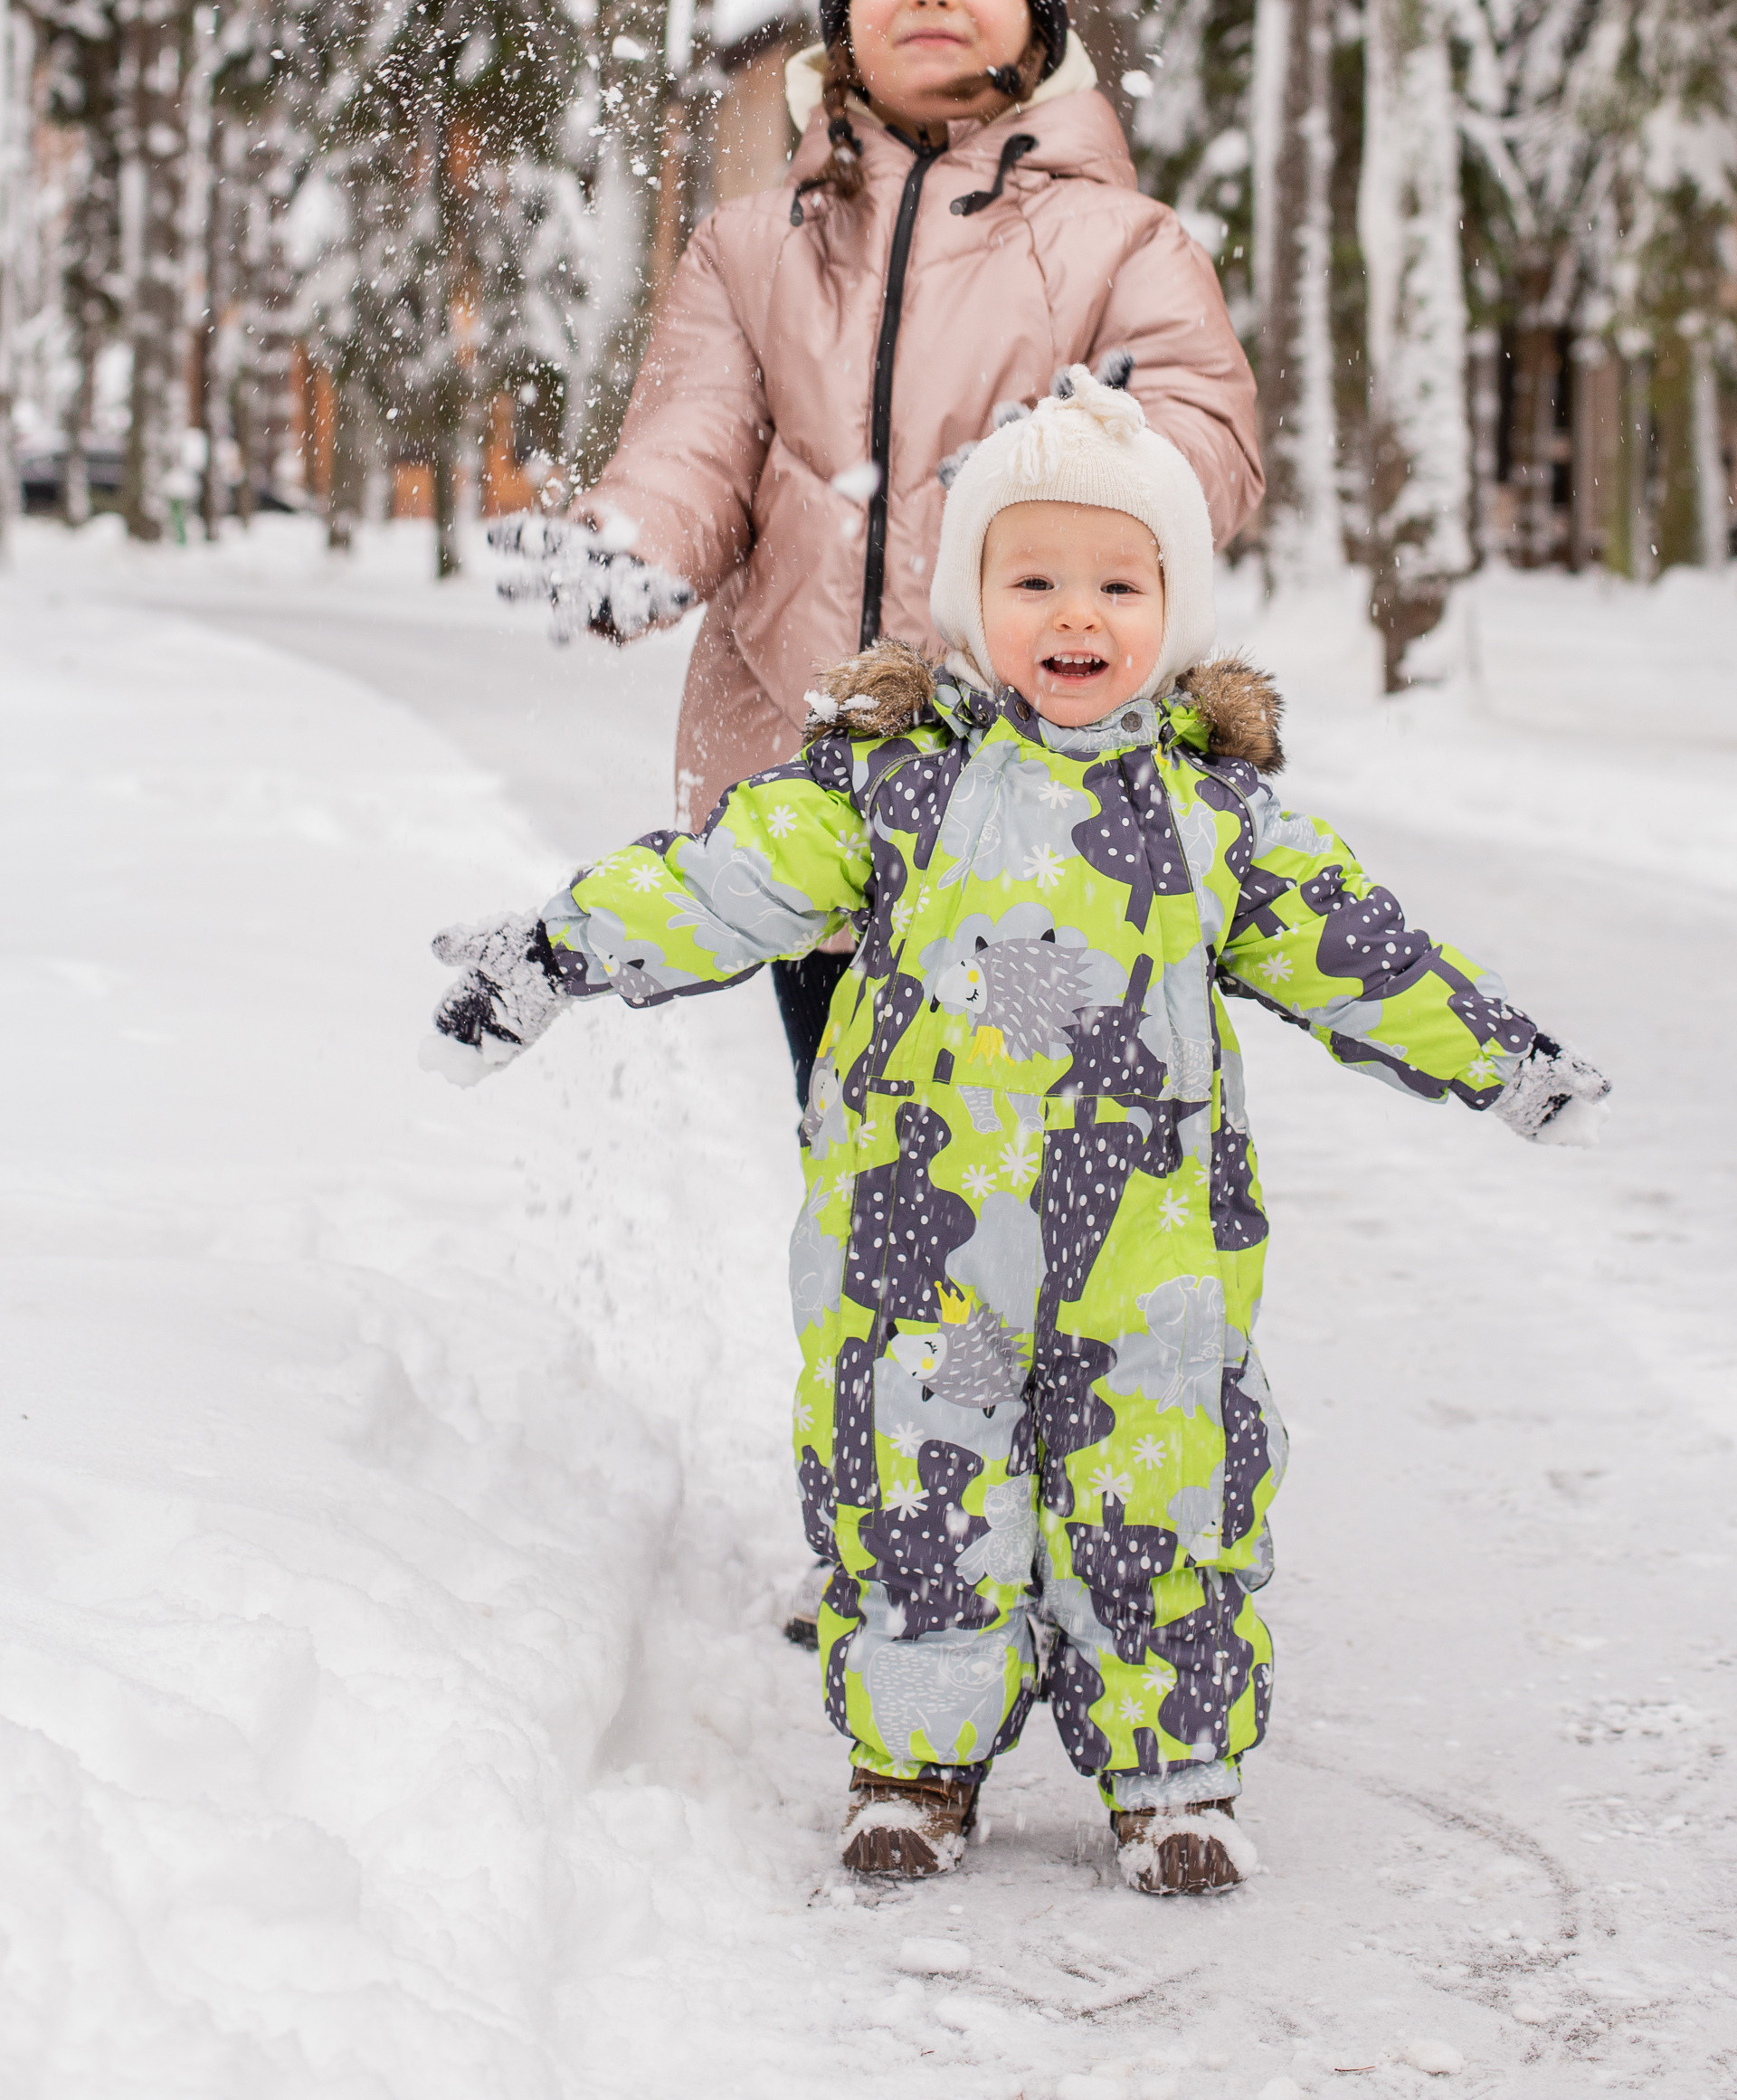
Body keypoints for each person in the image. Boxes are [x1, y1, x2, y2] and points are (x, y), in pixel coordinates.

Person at [432, 366, 1609, 1897]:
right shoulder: (888, 785)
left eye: (1119, 583)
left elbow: (1363, 956)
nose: (1076, 615)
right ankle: (914, 1763)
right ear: (969, 597)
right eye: (1033, 577)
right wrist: (552, 952)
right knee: (914, 1481)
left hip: (1149, 1260)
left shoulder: (1213, 816)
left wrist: (1504, 1059)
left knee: (1161, 1487)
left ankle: (1170, 1772)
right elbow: (715, 881)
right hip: (920, 1248)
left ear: (1171, 608)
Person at [489, 0, 1263, 1116]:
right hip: (819, 796)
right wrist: (627, 544)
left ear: (1038, 25)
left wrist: (1079, 469)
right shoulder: (750, 248)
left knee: (1038, 1160)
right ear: (843, 24)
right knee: (864, 1175)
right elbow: (695, 436)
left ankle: (1041, 1320)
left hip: (1041, 793)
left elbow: (1201, 436)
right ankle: (884, 1319)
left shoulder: (1122, 241)